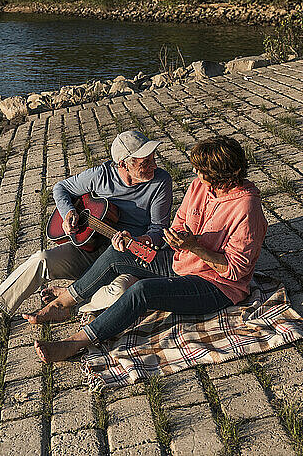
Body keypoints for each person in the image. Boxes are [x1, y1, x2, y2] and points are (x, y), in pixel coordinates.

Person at [29, 136, 268, 363]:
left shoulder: (247, 208)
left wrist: (193, 246)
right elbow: (178, 224)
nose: (195, 173)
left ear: (220, 175)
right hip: (180, 261)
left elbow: (235, 271)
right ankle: (61, 305)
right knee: (118, 253)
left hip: (215, 285)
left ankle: (76, 342)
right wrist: (143, 240)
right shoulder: (199, 187)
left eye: (201, 170)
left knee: (143, 291)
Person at [0, 130, 173, 346]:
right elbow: (61, 188)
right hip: (89, 248)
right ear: (123, 163)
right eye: (145, 161)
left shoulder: (160, 181)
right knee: (41, 259)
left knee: (123, 292)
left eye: (153, 158)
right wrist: (68, 212)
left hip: (126, 256)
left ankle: (68, 303)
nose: (154, 165)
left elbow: (158, 229)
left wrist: (140, 240)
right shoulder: (100, 176)